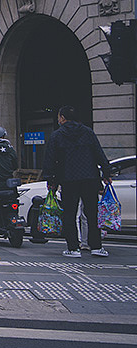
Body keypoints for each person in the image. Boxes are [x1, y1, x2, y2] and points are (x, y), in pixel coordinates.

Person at [42, 106, 112, 258]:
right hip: (89, 178)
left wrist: (50, 180)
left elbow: (50, 160)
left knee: (69, 214)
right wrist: (107, 173)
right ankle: (96, 247)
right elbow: (99, 154)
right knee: (92, 213)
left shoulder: (57, 135)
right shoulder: (88, 132)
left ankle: (73, 248)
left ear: (62, 118)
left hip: (68, 180)